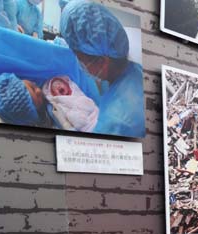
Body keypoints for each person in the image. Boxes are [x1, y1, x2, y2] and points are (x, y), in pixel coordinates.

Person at [59, 0, 145, 137]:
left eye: (80, 59)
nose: (79, 64)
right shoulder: (131, 71)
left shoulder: (117, 122)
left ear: (102, 61)